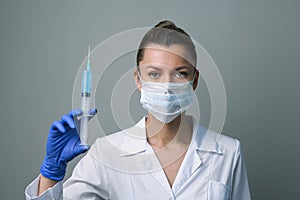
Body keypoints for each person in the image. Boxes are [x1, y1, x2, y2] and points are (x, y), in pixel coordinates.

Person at [25, 20, 251, 200]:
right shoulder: (106, 153)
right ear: (138, 80)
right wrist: (51, 172)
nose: (166, 86)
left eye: (180, 73)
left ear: (194, 81)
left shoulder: (228, 152)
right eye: (154, 74)